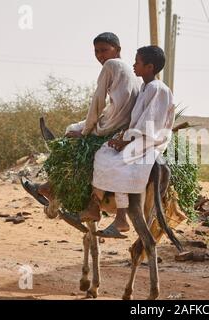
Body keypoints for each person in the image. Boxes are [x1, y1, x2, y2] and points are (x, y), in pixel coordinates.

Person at [21, 32, 141, 235]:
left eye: (104, 50)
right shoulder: (131, 73)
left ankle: (53, 188)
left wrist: (86, 131)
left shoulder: (111, 66)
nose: (101, 55)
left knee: (70, 133)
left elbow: (98, 101)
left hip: (111, 125)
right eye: (97, 51)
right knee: (75, 130)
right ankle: (54, 188)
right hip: (122, 124)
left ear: (117, 50)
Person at [75, 45, 175, 238]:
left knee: (114, 161)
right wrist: (123, 137)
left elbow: (150, 123)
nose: (134, 65)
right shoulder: (146, 87)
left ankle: (118, 216)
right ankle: (97, 206)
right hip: (138, 136)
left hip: (150, 140)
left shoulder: (157, 89)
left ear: (150, 67)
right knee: (105, 151)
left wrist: (127, 141)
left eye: (137, 62)